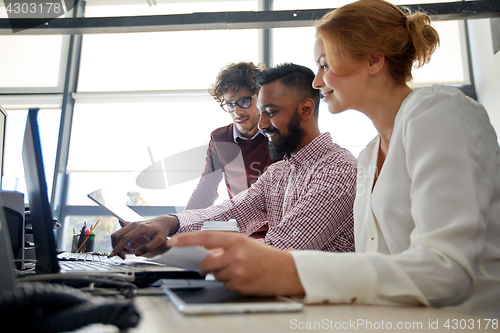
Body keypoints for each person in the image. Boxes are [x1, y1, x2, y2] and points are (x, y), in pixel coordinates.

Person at [164, 0, 500, 318]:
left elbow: (446, 271)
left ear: (373, 60)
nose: (317, 80)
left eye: (325, 64)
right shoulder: (370, 154)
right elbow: (379, 263)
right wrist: (173, 226)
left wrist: (288, 269)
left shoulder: (438, 112)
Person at [110, 63, 357, 257]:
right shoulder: (278, 173)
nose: (261, 124)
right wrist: (169, 224)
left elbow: (279, 251)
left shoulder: (339, 170)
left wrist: (173, 249)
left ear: (305, 110)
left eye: (270, 112)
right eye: (261, 113)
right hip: (280, 296)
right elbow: (232, 213)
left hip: (326, 312)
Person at [185, 62, 275, 210]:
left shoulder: (277, 135)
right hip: (240, 228)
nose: (237, 112)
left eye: (244, 101)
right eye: (230, 104)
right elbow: (206, 190)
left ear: (260, 97)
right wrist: (179, 226)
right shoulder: (220, 139)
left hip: (277, 228)